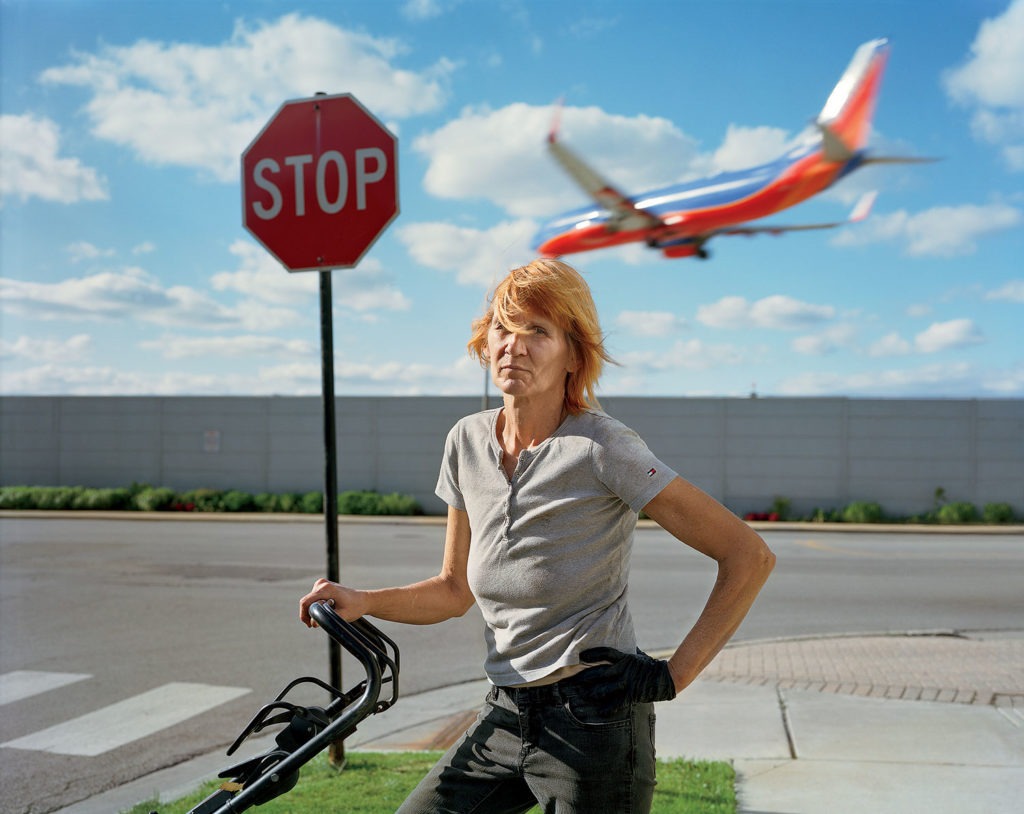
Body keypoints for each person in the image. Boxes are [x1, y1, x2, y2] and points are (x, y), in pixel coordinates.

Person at [299, 258, 775, 813]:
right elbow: (455, 590)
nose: (514, 346)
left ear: (574, 354)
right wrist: (363, 601)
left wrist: (674, 675)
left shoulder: (603, 447)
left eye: (538, 332)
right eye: (504, 327)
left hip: (593, 720)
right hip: (504, 711)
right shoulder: (466, 442)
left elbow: (748, 555)